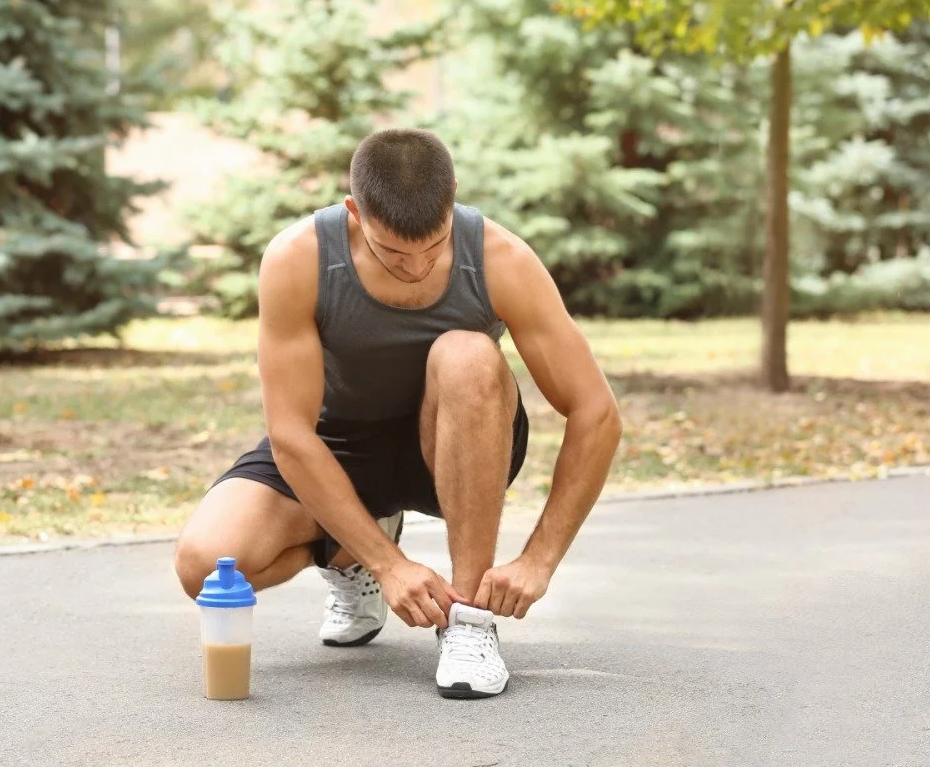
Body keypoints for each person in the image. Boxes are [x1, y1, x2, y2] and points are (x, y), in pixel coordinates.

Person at [174, 128, 621, 699]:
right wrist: (387, 565)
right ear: (354, 212)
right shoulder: (299, 258)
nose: (416, 266)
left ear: (452, 199)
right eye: (394, 252)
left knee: (466, 355)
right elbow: (290, 434)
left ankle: (468, 621)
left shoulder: (501, 258)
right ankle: (354, 557)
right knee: (205, 566)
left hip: (457, 437)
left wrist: (540, 559)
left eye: (433, 247)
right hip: (339, 444)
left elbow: (596, 412)